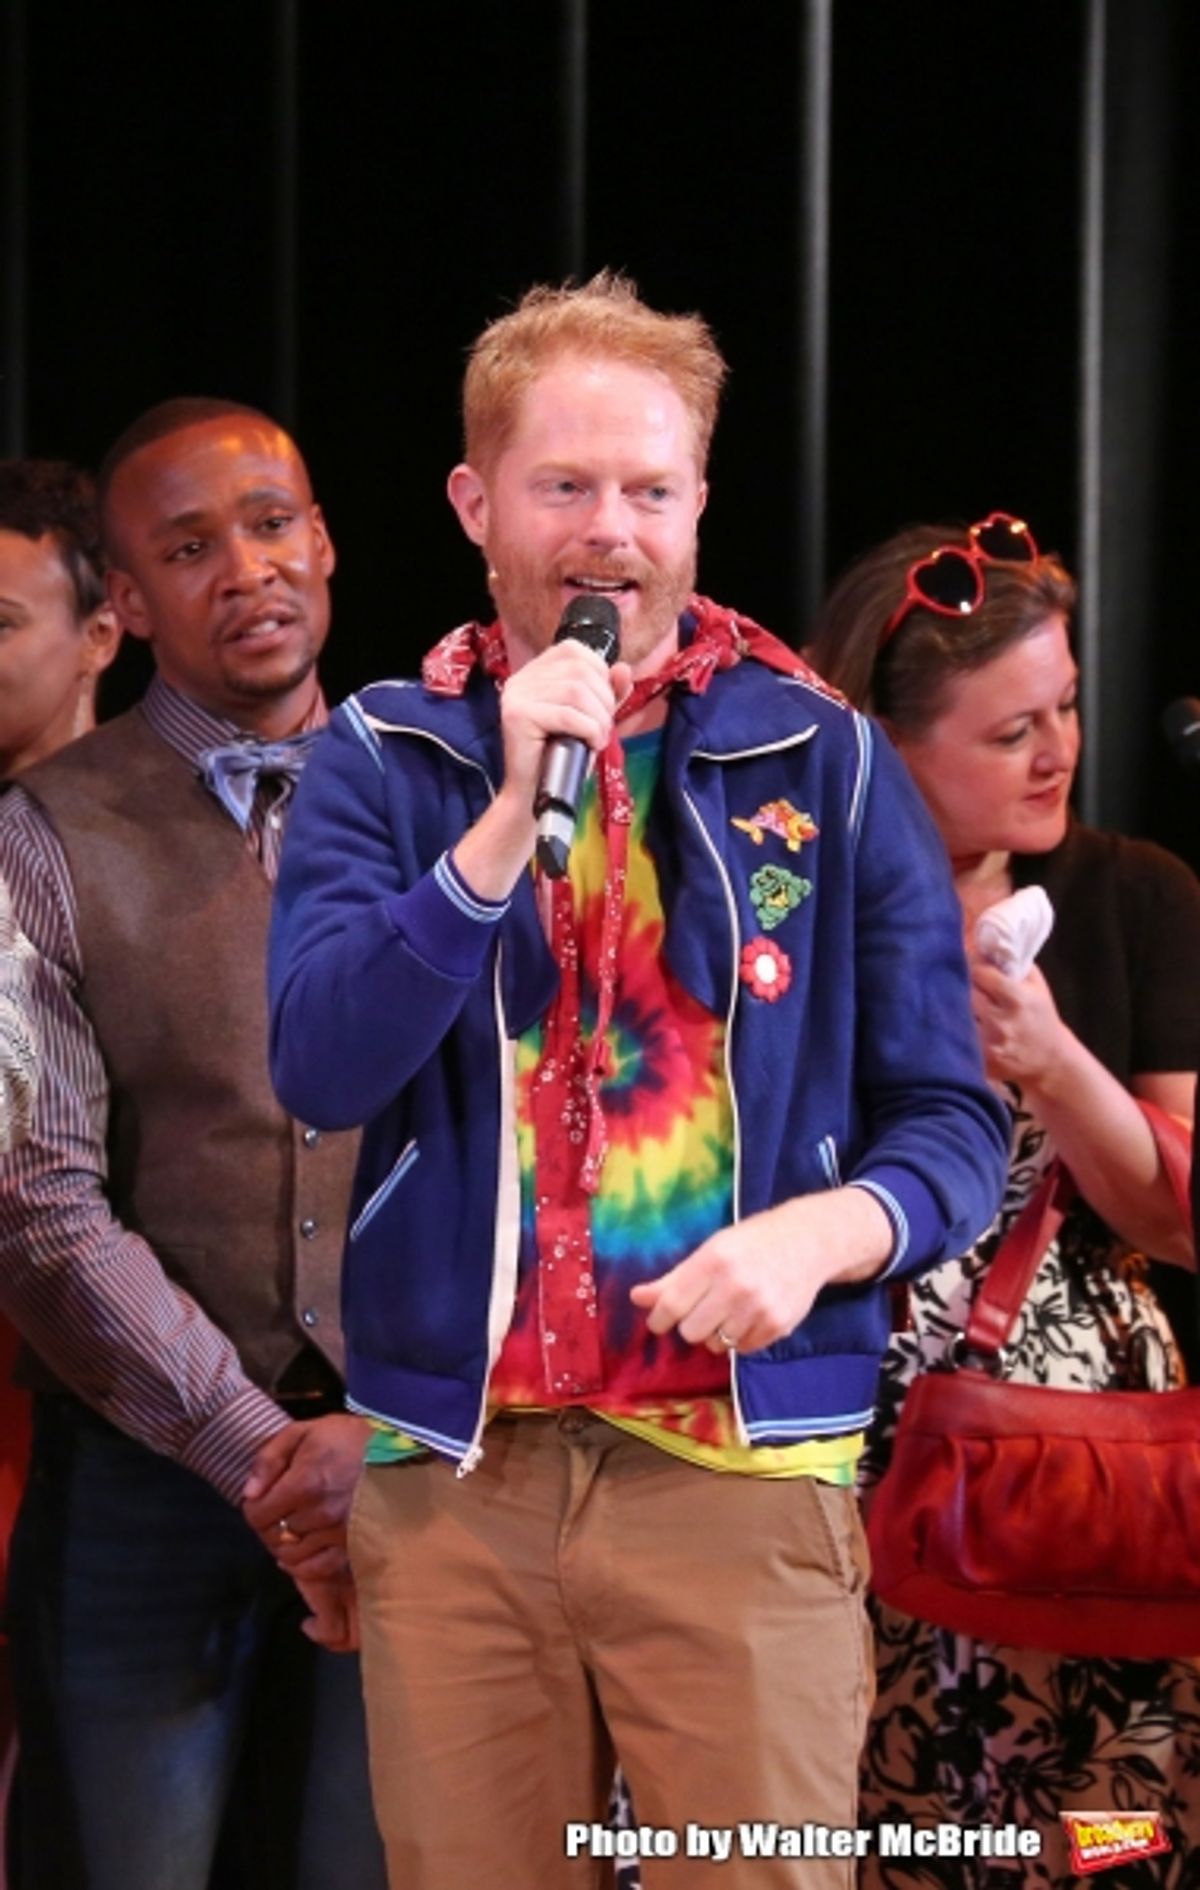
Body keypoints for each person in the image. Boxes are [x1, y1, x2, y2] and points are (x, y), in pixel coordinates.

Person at [267, 273, 1009, 1890]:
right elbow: (321, 1062)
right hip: (459, 1484)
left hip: (740, 1477)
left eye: (651, 489)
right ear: (476, 503)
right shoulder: (385, 757)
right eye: (567, 485)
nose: (614, 530)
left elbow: (954, 1124)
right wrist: (494, 824)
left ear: (697, 507)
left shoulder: (828, 756)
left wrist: (820, 1235)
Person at [0, 398, 386, 1889]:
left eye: (273, 523)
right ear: (127, 606)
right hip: (141, 1479)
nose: (247, 569)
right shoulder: (44, 831)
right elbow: (36, 1200)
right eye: (187, 547)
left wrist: (383, 1431)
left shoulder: (450, 793)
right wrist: (258, 1449)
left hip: (409, 1462)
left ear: (329, 540)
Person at [806, 514, 1200, 1887]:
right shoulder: (793, 906)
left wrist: (1050, 1059)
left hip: (1088, 1468)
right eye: (1010, 730)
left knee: (1108, 1833)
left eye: (1068, 707)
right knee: (851, 1822)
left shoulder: (1133, 897)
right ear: (891, 746)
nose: (1060, 753)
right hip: (844, 1453)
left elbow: (1180, 1218)